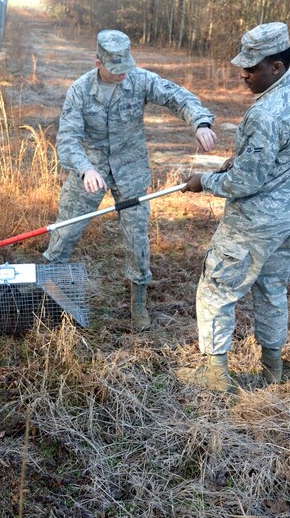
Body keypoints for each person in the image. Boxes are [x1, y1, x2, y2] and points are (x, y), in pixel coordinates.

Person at [177, 22, 290, 392]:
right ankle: (273, 369)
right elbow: (280, 157)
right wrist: (236, 160)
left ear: (276, 67)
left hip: (254, 224)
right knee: (273, 289)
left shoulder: (264, 113)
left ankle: (214, 376)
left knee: (216, 290)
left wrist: (203, 180)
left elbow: (246, 183)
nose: (244, 73)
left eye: (252, 67)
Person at [43, 29, 218, 331]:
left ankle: (138, 303)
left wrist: (200, 123)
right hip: (91, 170)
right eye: (116, 69)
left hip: (131, 167)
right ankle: (47, 294)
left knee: (136, 236)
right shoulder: (81, 90)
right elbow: (68, 138)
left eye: (127, 66)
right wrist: (85, 169)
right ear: (98, 63)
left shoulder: (139, 79)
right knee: (65, 230)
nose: (124, 74)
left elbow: (177, 96)